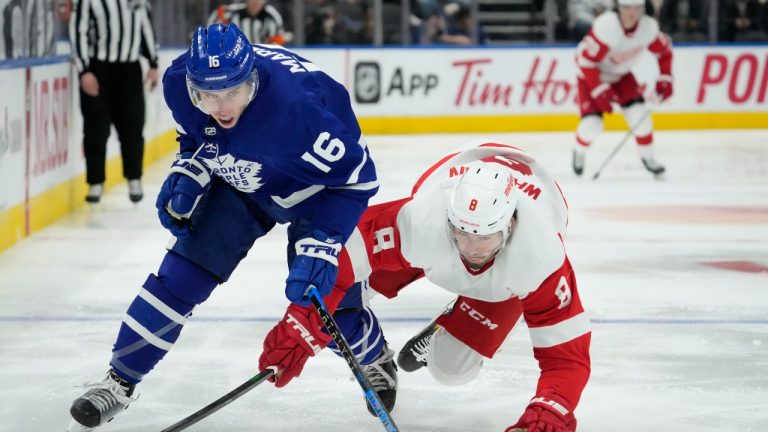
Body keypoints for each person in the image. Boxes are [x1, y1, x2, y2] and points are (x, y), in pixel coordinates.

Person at [66, 22, 379, 431]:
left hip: (313, 191)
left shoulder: (300, 112)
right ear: (192, 86)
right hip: (243, 185)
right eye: (208, 95)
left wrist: (325, 241)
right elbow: (194, 134)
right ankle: (118, 382)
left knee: (328, 301)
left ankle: (374, 361)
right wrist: (191, 166)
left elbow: (359, 179)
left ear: (252, 79)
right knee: (178, 278)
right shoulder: (178, 82)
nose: (222, 106)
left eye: (233, 92)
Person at [259, 142, 592, 431]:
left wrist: (551, 409)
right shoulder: (422, 220)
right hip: (437, 237)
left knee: (451, 370)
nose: (473, 250)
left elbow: (566, 358)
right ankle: (372, 357)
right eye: (462, 235)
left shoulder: (539, 258)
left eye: (485, 238)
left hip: (495, 276)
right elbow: (337, 256)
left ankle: (451, 321)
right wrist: (303, 323)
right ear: (448, 220)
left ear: (511, 226)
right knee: (335, 297)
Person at [69, 0, 159, 203]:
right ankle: (95, 182)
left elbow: (146, 27)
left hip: (130, 70)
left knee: (133, 126)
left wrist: (153, 63)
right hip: (99, 69)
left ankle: (134, 178)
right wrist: (84, 69)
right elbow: (78, 30)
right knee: (96, 129)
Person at [572, 0, 674, 178]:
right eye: (627, 7)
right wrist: (598, 89)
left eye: (636, 7)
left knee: (640, 117)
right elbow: (586, 62)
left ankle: (648, 158)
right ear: (618, 8)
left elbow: (664, 52)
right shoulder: (606, 26)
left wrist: (666, 77)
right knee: (592, 125)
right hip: (592, 75)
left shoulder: (648, 28)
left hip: (621, 75)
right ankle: (579, 151)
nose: (631, 13)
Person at [208, 0, 290, 45]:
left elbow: (278, 45)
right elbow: (211, 33)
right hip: (232, 61)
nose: (255, 1)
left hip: (261, 61)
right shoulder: (228, 13)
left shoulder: (272, 16)